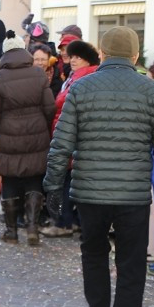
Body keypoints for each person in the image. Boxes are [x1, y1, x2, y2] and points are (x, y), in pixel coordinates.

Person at [44, 26, 154, 307]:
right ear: (135, 56)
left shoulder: (81, 88)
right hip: (132, 193)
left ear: (101, 54)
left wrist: (52, 184)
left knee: (93, 254)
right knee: (131, 265)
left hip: (89, 190)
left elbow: (62, 143)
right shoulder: (151, 91)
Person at [0, 31, 54, 246]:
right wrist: (41, 125)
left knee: (11, 181)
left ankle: (12, 232)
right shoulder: (38, 74)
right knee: (34, 179)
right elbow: (49, 108)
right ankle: (32, 228)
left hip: (8, 136)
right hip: (37, 135)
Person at [41, 39, 99, 238]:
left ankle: (65, 222)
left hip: (72, 136)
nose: (73, 60)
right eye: (72, 56)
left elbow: (64, 102)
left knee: (66, 181)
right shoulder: (75, 76)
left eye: (78, 57)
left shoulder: (83, 78)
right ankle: (70, 221)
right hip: (69, 133)